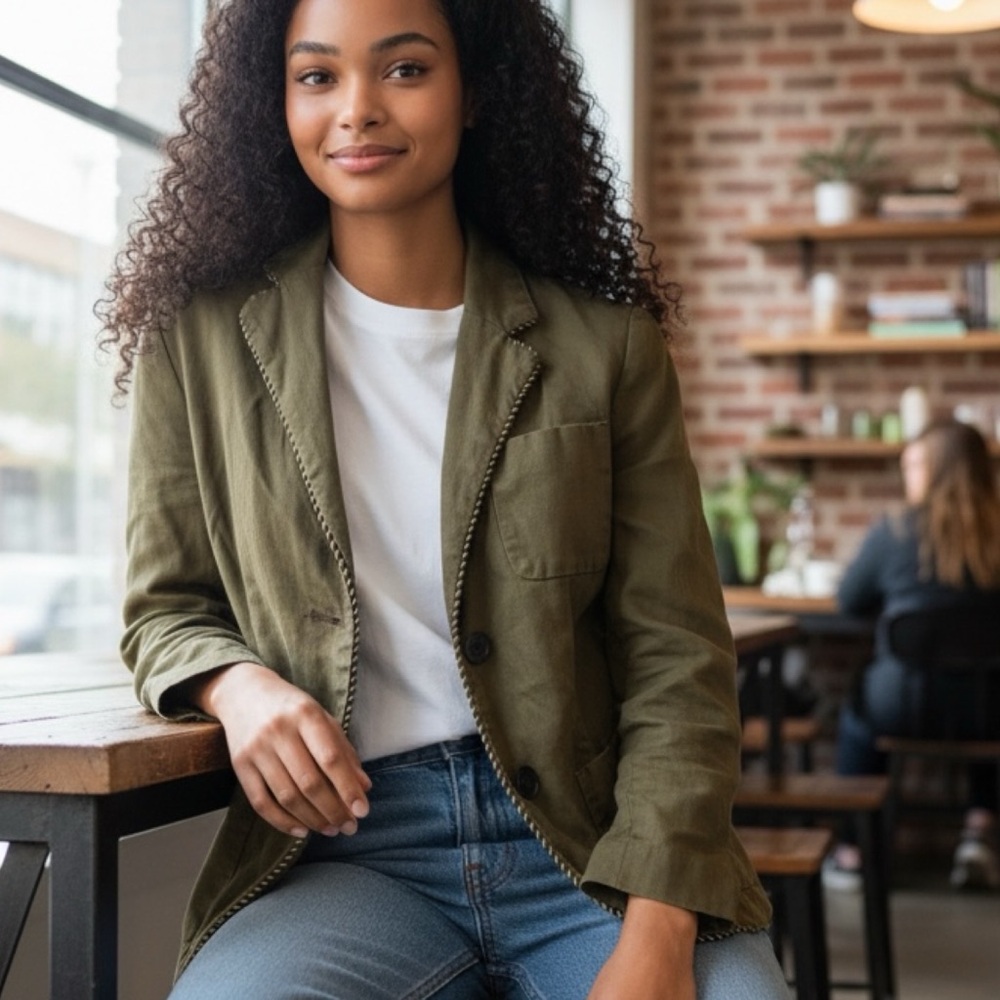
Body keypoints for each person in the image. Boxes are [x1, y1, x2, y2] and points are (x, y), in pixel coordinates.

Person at [97, 1, 789, 996]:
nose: (357, 110)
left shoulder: (604, 349)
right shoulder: (199, 340)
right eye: (317, 76)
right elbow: (166, 606)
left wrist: (657, 932)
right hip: (347, 853)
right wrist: (236, 685)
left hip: (592, 850)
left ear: (476, 92)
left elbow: (677, 657)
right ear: (274, 103)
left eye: (406, 70)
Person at [828, 418, 1000, 891]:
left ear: (941, 469)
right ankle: (979, 831)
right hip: (990, 711)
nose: (908, 474)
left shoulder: (895, 531)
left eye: (916, 463)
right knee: (982, 687)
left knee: (857, 713)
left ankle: (853, 851)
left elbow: (848, 601)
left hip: (903, 707)